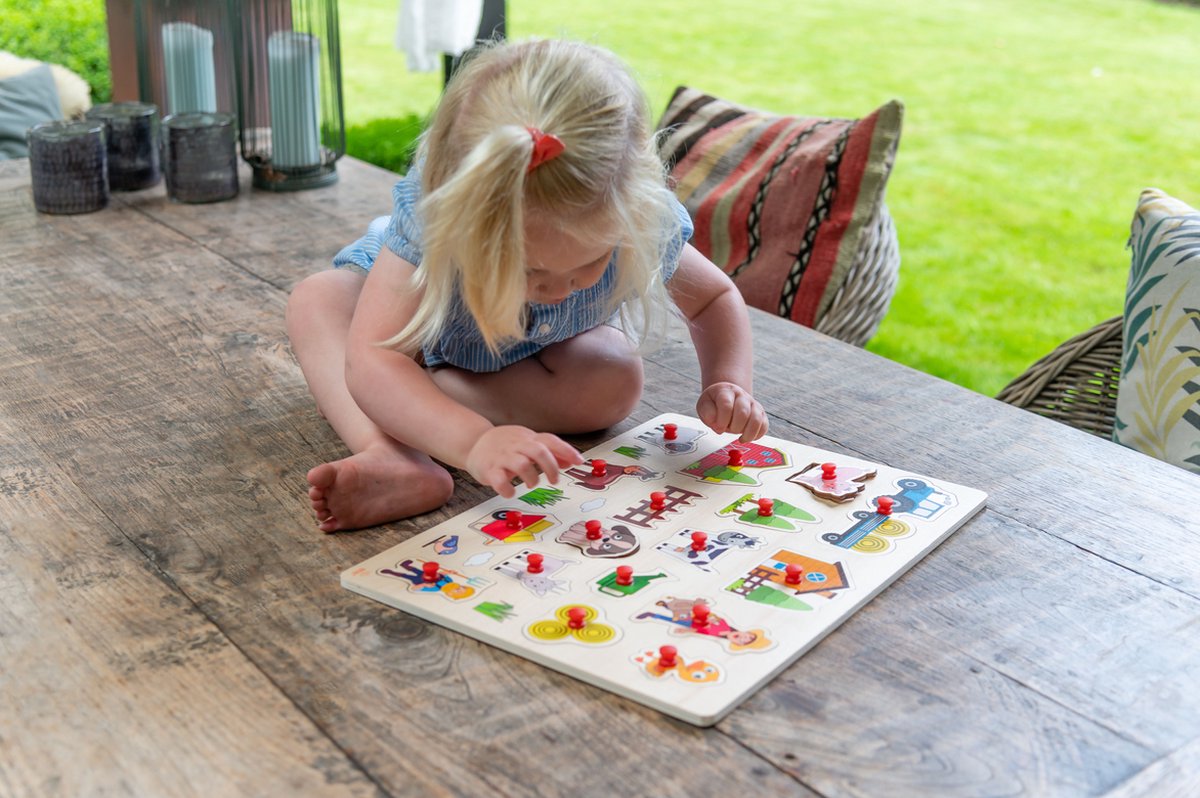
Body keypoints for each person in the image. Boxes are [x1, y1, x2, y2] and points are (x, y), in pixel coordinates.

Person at [286, 38, 768, 532]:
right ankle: (391, 454)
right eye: (527, 271)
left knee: (614, 377)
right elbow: (375, 356)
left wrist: (727, 381)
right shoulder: (436, 214)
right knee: (320, 300)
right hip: (411, 338)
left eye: (587, 264)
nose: (558, 291)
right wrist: (472, 442)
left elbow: (713, 297)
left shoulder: (638, 216)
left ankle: (419, 404)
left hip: (518, 362)